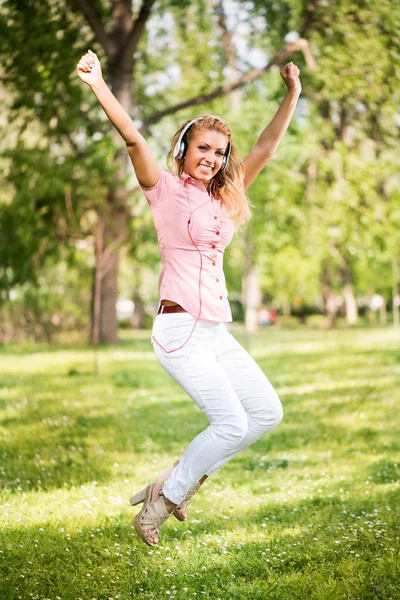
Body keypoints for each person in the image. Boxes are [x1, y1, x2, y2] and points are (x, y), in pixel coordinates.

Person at [77, 49, 301, 547]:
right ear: (184, 149)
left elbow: (264, 148)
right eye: (203, 148)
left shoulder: (222, 198)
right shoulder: (163, 189)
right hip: (178, 329)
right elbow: (132, 135)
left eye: (220, 152)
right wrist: (97, 84)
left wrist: (293, 94)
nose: (212, 158)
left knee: (266, 413)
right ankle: (160, 504)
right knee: (230, 421)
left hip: (213, 330)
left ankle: (178, 479)